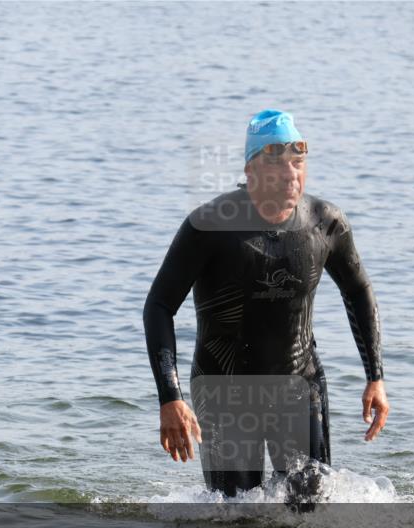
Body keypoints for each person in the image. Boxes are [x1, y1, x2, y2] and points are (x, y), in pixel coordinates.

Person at [143, 109, 389, 502]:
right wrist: (170, 398)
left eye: (298, 162)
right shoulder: (208, 226)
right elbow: (158, 305)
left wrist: (375, 376)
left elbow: (358, 290)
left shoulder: (325, 223)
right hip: (225, 391)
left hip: (298, 384)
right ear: (250, 170)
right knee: (235, 520)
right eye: (276, 163)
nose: (291, 174)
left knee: (311, 511)